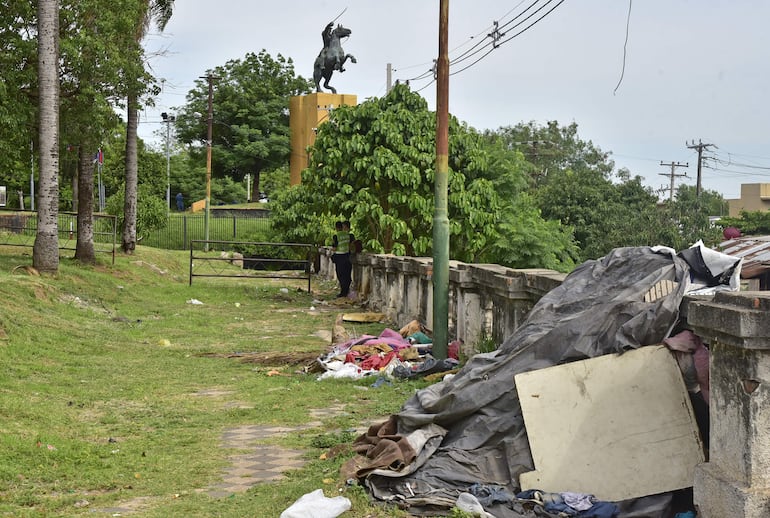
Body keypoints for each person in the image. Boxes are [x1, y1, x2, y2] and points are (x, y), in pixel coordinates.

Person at [332, 220, 354, 298]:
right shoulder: (349, 235)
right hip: (347, 256)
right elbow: (351, 246)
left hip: (339, 257)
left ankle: (343, 292)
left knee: (340, 275)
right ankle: (346, 291)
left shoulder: (336, 236)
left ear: (336, 228)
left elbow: (334, 248)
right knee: (347, 275)